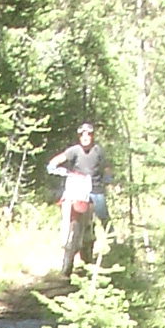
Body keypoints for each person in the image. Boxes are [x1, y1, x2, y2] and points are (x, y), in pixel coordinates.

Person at [46, 120, 110, 279]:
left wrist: (108, 177)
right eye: (83, 135)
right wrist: (53, 166)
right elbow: (59, 159)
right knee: (71, 225)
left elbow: (107, 166)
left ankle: (116, 254)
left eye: (89, 134)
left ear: (92, 136)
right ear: (79, 136)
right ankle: (67, 266)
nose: (86, 137)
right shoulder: (74, 150)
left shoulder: (98, 150)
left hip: (95, 189)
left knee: (104, 219)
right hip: (78, 188)